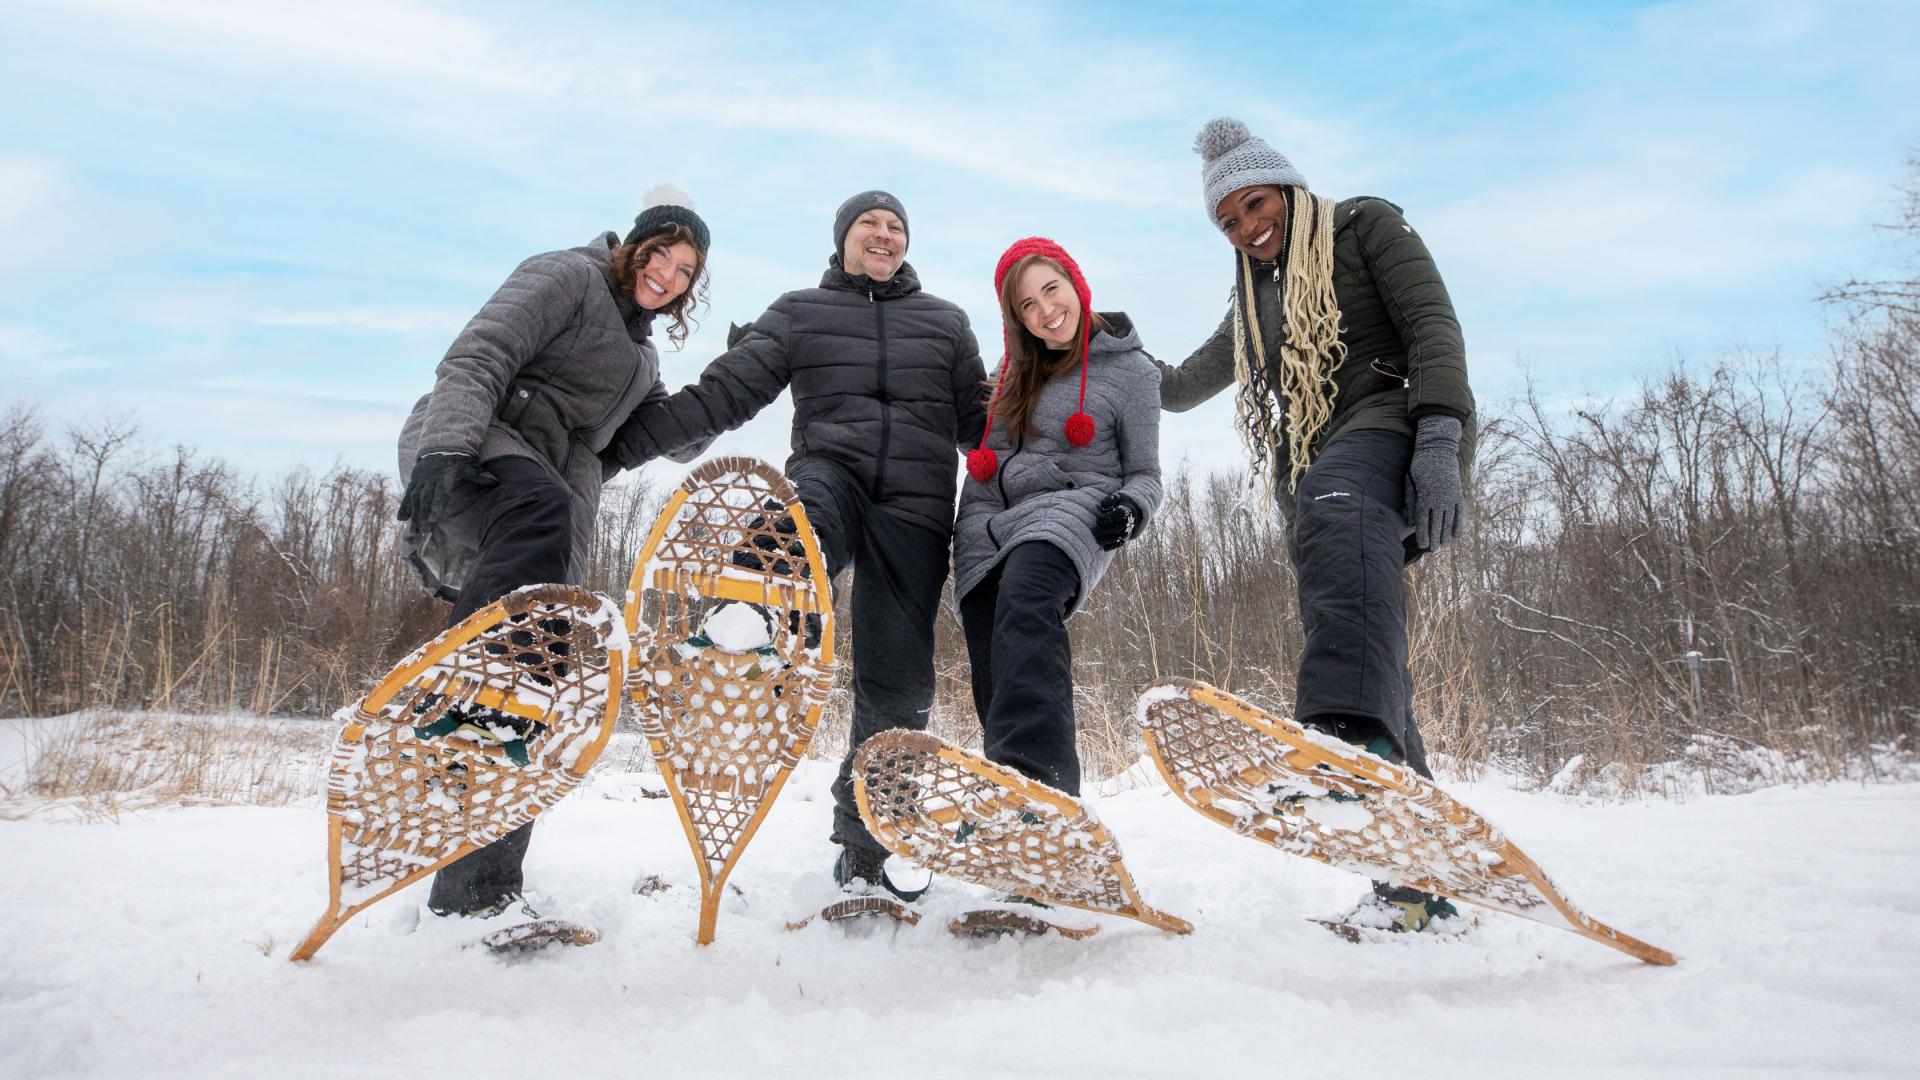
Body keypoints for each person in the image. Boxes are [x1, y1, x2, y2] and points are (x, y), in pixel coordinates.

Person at [603, 190, 988, 905]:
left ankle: (872, 846)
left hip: (917, 507)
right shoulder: (801, 312)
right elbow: (724, 395)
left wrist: (1068, 388)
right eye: (869, 223)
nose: (883, 233)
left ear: (907, 244)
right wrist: (613, 452)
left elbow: (982, 422)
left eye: (895, 225)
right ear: (842, 239)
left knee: (898, 685)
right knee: (796, 531)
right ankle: (749, 621)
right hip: (832, 474)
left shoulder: (945, 322)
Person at [1156, 118, 1475, 934]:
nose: (1246, 228)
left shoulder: (1365, 226)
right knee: (1361, 637)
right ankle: (1416, 884)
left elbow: (1433, 324)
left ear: (1287, 190)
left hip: (1395, 426)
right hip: (1322, 474)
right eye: (1226, 222)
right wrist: (1111, 348)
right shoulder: (1253, 300)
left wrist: (1440, 438)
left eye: (1253, 204)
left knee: (1338, 537)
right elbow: (1184, 385)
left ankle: (1341, 737)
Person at [395, 190, 716, 918]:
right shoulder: (565, 276)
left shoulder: (639, 357)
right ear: (633, 245)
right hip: (479, 449)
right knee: (539, 506)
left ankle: (478, 894)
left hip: (545, 508)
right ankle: (456, 687)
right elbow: (482, 352)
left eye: (686, 269)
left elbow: (676, 434)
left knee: (536, 688)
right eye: (661, 253)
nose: (668, 274)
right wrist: (445, 446)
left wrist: (748, 367)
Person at [953, 237, 1162, 800]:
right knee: (988, 638)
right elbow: (986, 450)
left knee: (1025, 598)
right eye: (1027, 304)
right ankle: (1012, 796)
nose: (1046, 310)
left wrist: (1131, 508)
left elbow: (1147, 474)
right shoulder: (1011, 374)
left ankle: (1043, 785)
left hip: (1074, 511)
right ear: (1016, 318)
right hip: (992, 519)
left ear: (1075, 283)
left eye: (1052, 289)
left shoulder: (1133, 372)